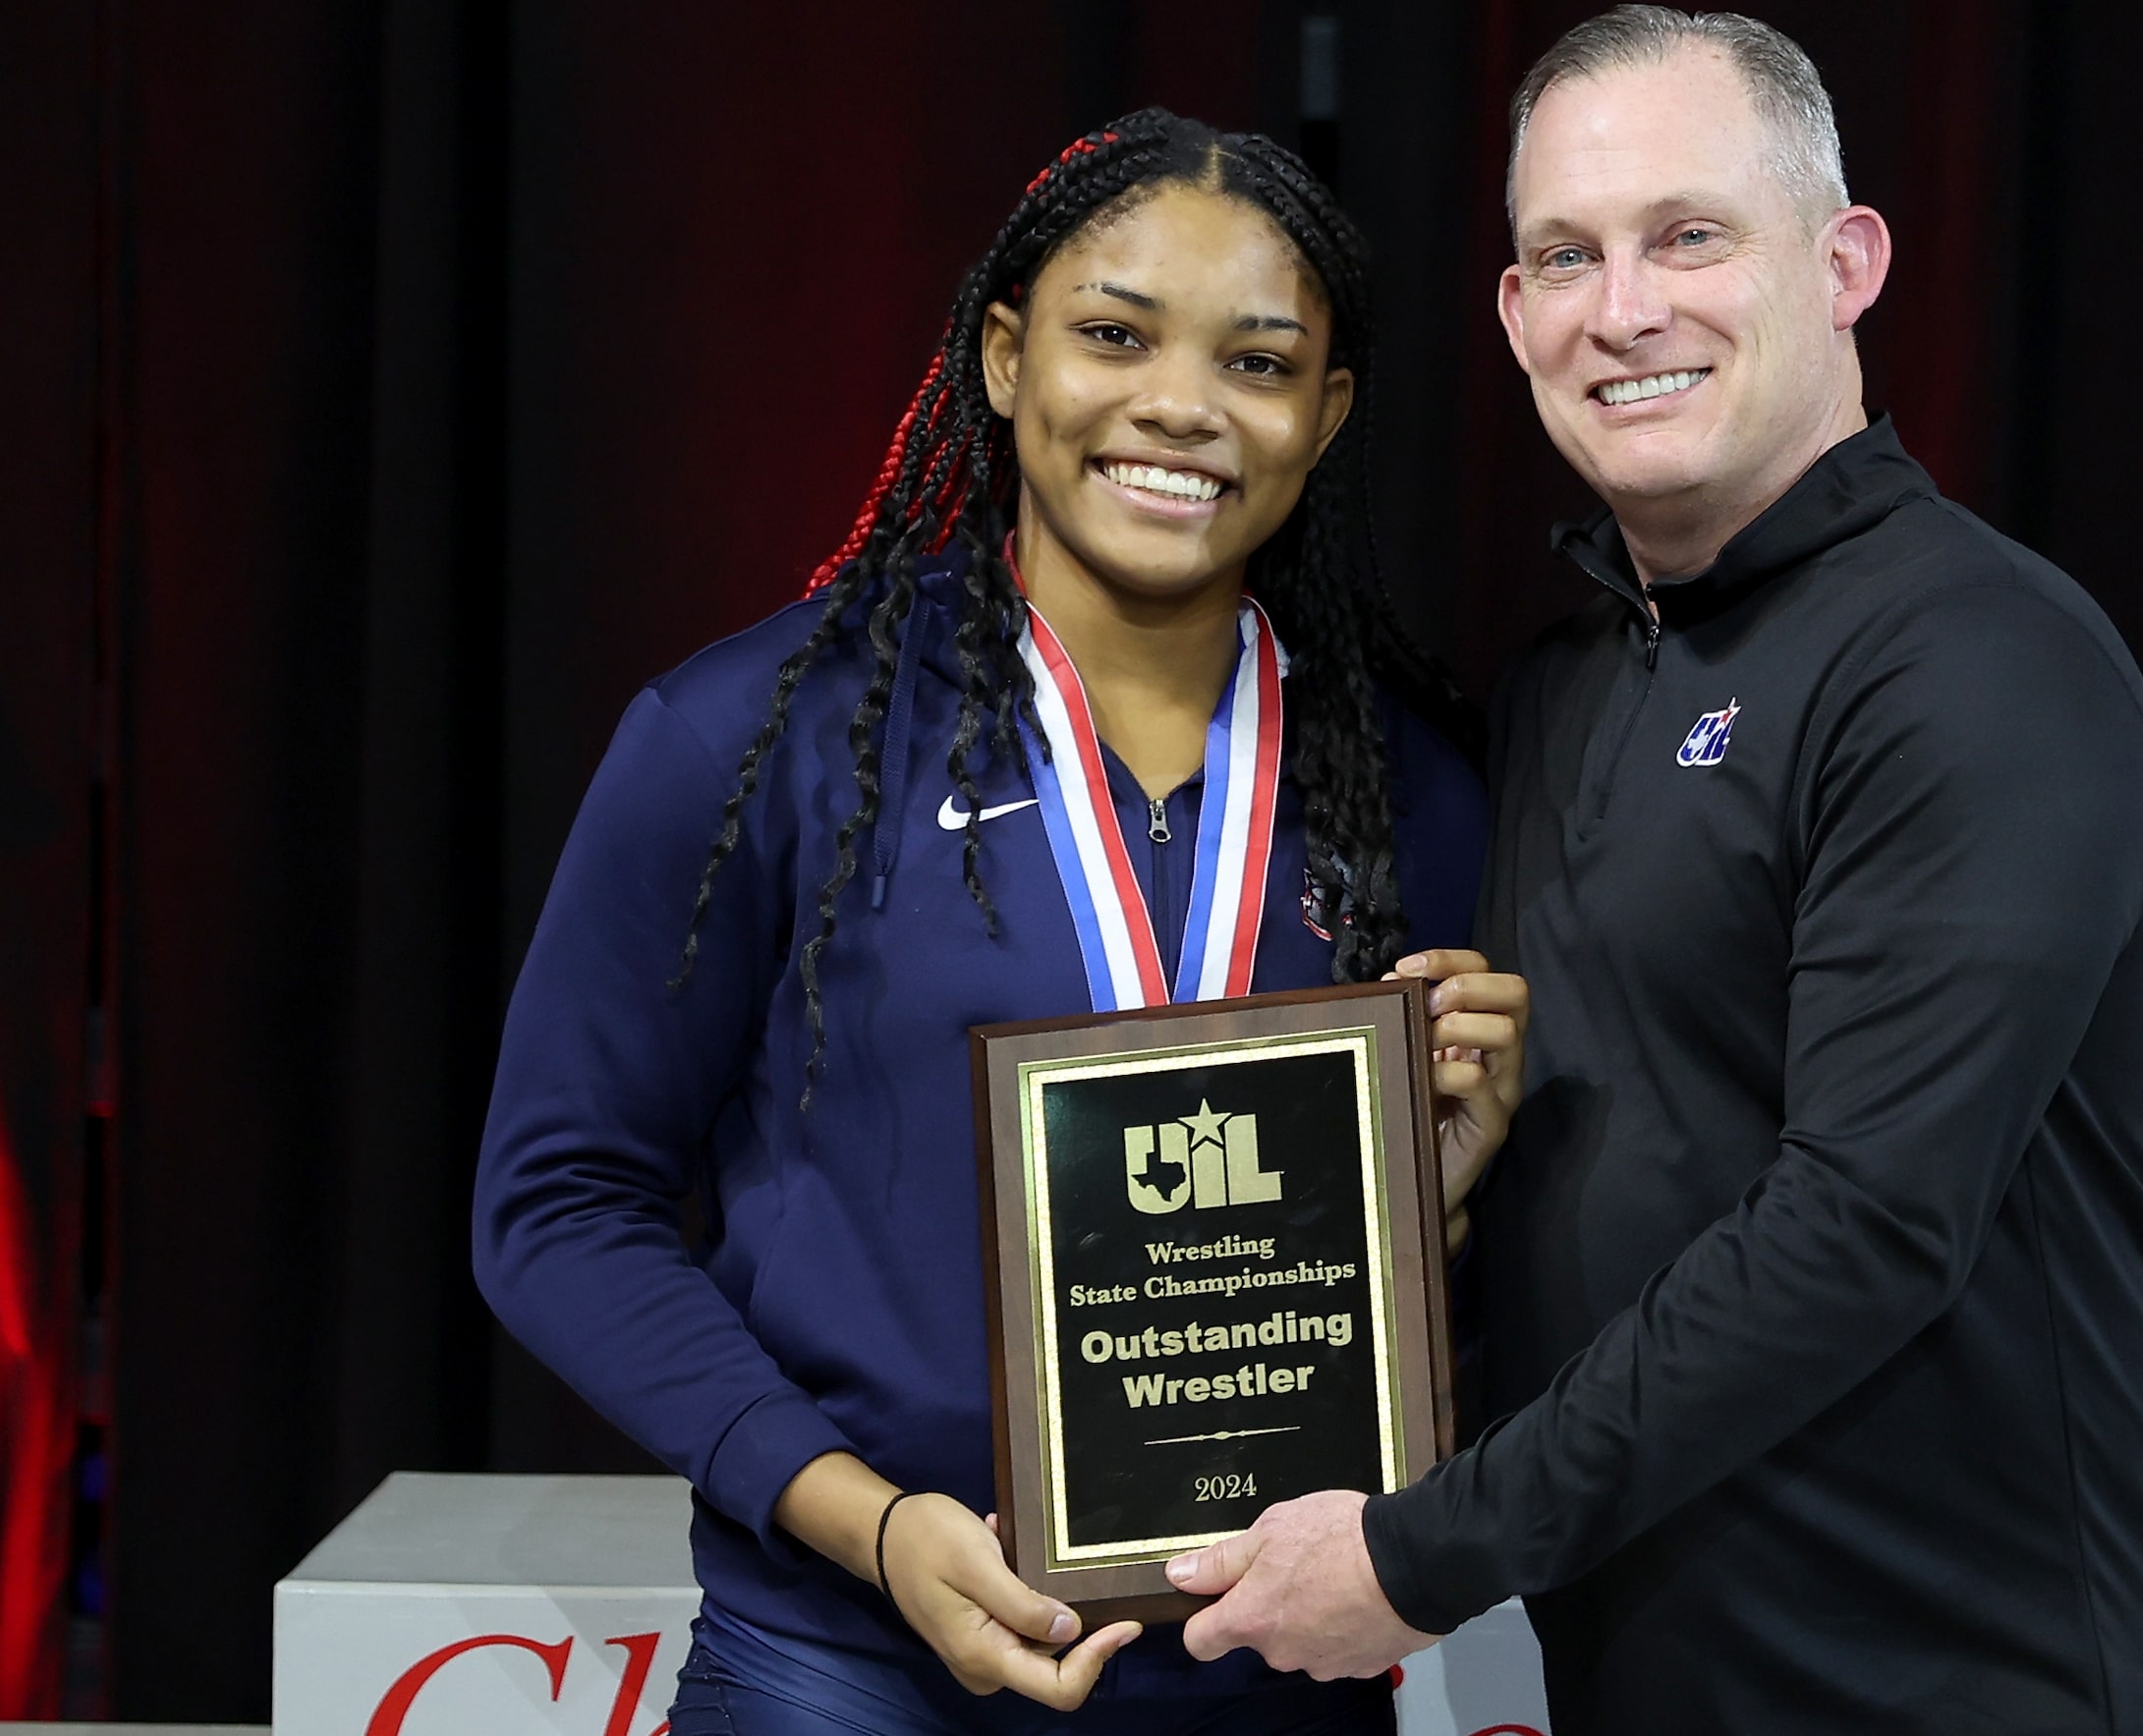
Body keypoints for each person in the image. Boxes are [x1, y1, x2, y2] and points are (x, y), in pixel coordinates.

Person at [1170, 8, 2143, 1733]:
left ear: (1843, 262)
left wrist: (1416, 1553)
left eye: (1689, 236)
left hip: (1977, 1683)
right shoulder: (1572, 685)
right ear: (1514, 317)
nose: (1626, 307)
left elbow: (1863, 1223)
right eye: (1565, 255)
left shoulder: (1976, 661)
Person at [473, 109, 1529, 1733]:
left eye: (1256, 364)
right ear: (1001, 355)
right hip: (842, 1662)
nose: (1177, 403)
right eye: (1113, 335)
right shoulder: (754, 735)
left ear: (1322, 418)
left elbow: (1395, 1336)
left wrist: (1430, 1207)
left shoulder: (1412, 792)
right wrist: (866, 1523)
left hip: (1264, 1683)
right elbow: (555, 1204)